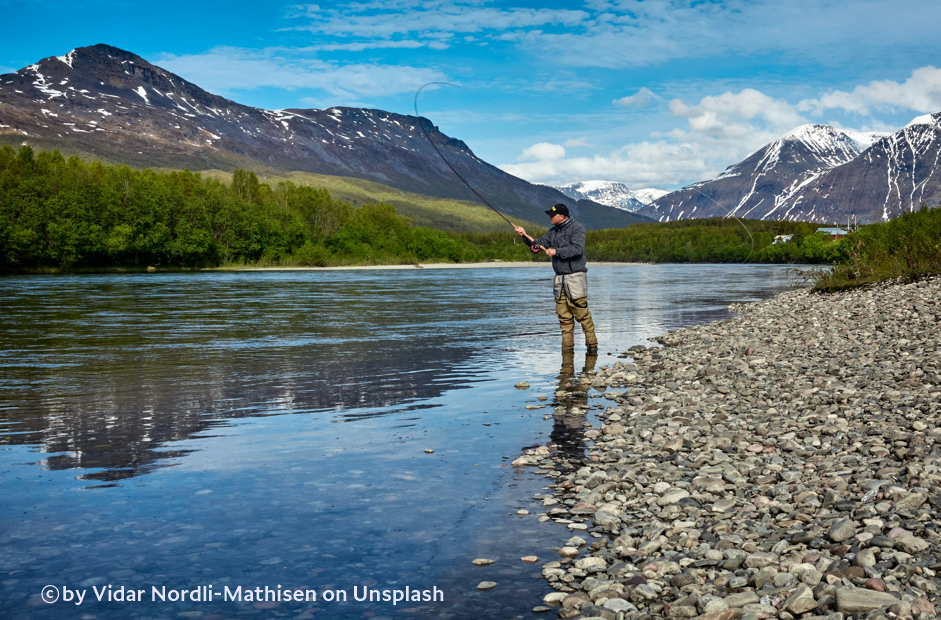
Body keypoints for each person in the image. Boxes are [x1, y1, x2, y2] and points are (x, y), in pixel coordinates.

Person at [514, 204, 598, 354]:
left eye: (552, 215)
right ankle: (567, 352)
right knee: (564, 318)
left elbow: (577, 249)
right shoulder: (553, 231)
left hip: (575, 277)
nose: (550, 217)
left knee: (582, 315)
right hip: (560, 280)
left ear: (562, 216)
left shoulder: (577, 228)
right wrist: (524, 235)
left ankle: (592, 348)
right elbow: (538, 245)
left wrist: (556, 251)